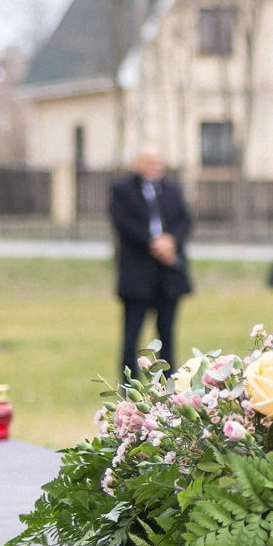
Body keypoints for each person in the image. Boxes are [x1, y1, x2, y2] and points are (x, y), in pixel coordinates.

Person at [108, 145, 193, 375]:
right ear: (136, 164)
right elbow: (122, 221)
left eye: (158, 162)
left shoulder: (172, 189)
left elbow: (184, 219)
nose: (154, 167)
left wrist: (171, 241)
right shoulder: (122, 190)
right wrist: (153, 243)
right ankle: (129, 389)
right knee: (131, 337)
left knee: (167, 336)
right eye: (149, 162)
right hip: (137, 275)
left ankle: (168, 386)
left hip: (168, 275)